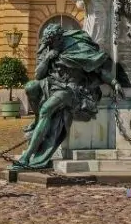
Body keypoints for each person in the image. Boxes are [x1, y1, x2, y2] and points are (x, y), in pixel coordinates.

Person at [17, 23, 123, 169]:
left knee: (46, 109)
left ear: (60, 38)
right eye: (51, 43)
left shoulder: (77, 46)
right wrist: (48, 57)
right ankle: (38, 122)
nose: (54, 45)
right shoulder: (49, 48)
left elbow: (98, 69)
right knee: (30, 87)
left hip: (71, 88)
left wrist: (114, 82)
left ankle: (27, 155)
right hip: (52, 83)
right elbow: (38, 75)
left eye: (55, 42)